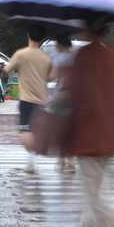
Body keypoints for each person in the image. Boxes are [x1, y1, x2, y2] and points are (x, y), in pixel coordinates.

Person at [60, 21, 114, 227]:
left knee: (94, 199)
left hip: (87, 138)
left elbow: (70, 96)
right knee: (91, 195)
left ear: (90, 29)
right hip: (109, 137)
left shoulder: (83, 58)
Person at [4, 25, 53, 174]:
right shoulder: (46, 57)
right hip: (42, 100)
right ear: (42, 38)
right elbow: (50, 77)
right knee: (35, 130)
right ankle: (35, 154)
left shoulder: (22, 54)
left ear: (28, 36)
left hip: (26, 100)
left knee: (25, 131)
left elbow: (7, 70)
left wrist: (3, 71)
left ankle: (31, 159)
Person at [48, 34, 76, 173]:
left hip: (60, 97)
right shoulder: (76, 57)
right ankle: (71, 162)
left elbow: (52, 76)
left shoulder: (58, 57)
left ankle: (61, 161)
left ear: (59, 45)